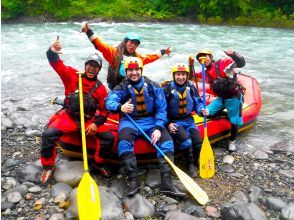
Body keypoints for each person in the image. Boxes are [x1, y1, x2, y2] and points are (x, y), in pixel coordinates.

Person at [105, 57, 186, 198]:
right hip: (130, 121)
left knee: (167, 143)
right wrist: (120, 107)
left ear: (141, 70)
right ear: (126, 72)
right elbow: (109, 101)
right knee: (123, 144)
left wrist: (158, 127)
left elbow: (162, 108)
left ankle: (166, 183)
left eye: (137, 70)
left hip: (151, 120)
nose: (134, 73)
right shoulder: (122, 87)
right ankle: (133, 180)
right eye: (130, 70)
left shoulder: (153, 86)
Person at [40, 36, 115, 184]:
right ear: (85, 66)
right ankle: (48, 166)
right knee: (48, 134)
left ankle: (98, 164)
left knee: (108, 138)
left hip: (88, 120)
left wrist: (96, 124)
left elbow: (105, 111)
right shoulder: (72, 76)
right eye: (90, 65)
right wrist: (52, 52)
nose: (92, 68)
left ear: (99, 69)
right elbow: (56, 64)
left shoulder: (100, 89)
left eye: (95, 66)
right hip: (69, 117)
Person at [81, 22, 172, 90]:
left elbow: (150, 57)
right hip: (116, 88)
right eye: (131, 42)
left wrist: (164, 51)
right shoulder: (114, 53)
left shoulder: (137, 58)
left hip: (131, 88)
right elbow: (101, 46)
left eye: (136, 44)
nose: (133, 46)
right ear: (125, 42)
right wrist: (88, 31)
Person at [189, 49, 246, 152]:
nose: (203, 59)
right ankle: (225, 114)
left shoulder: (222, 64)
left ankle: (232, 140)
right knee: (204, 113)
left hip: (234, 97)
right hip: (221, 99)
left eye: (205, 56)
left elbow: (241, 63)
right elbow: (190, 77)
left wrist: (233, 55)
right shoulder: (204, 73)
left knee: (234, 121)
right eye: (200, 58)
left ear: (211, 57)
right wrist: (190, 65)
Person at [163, 63, 207, 178]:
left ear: (186, 75)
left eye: (183, 74)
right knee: (186, 142)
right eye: (178, 74)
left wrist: (201, 110)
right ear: (174, 75)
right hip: (175, 121)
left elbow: (197, 102)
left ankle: (197, 160)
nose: (181, 77)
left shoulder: (191, 87)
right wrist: (168, 123)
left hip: (189, 120)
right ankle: (190, 164)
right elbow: (161, 109)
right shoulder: (167, 89)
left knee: (198, 142)